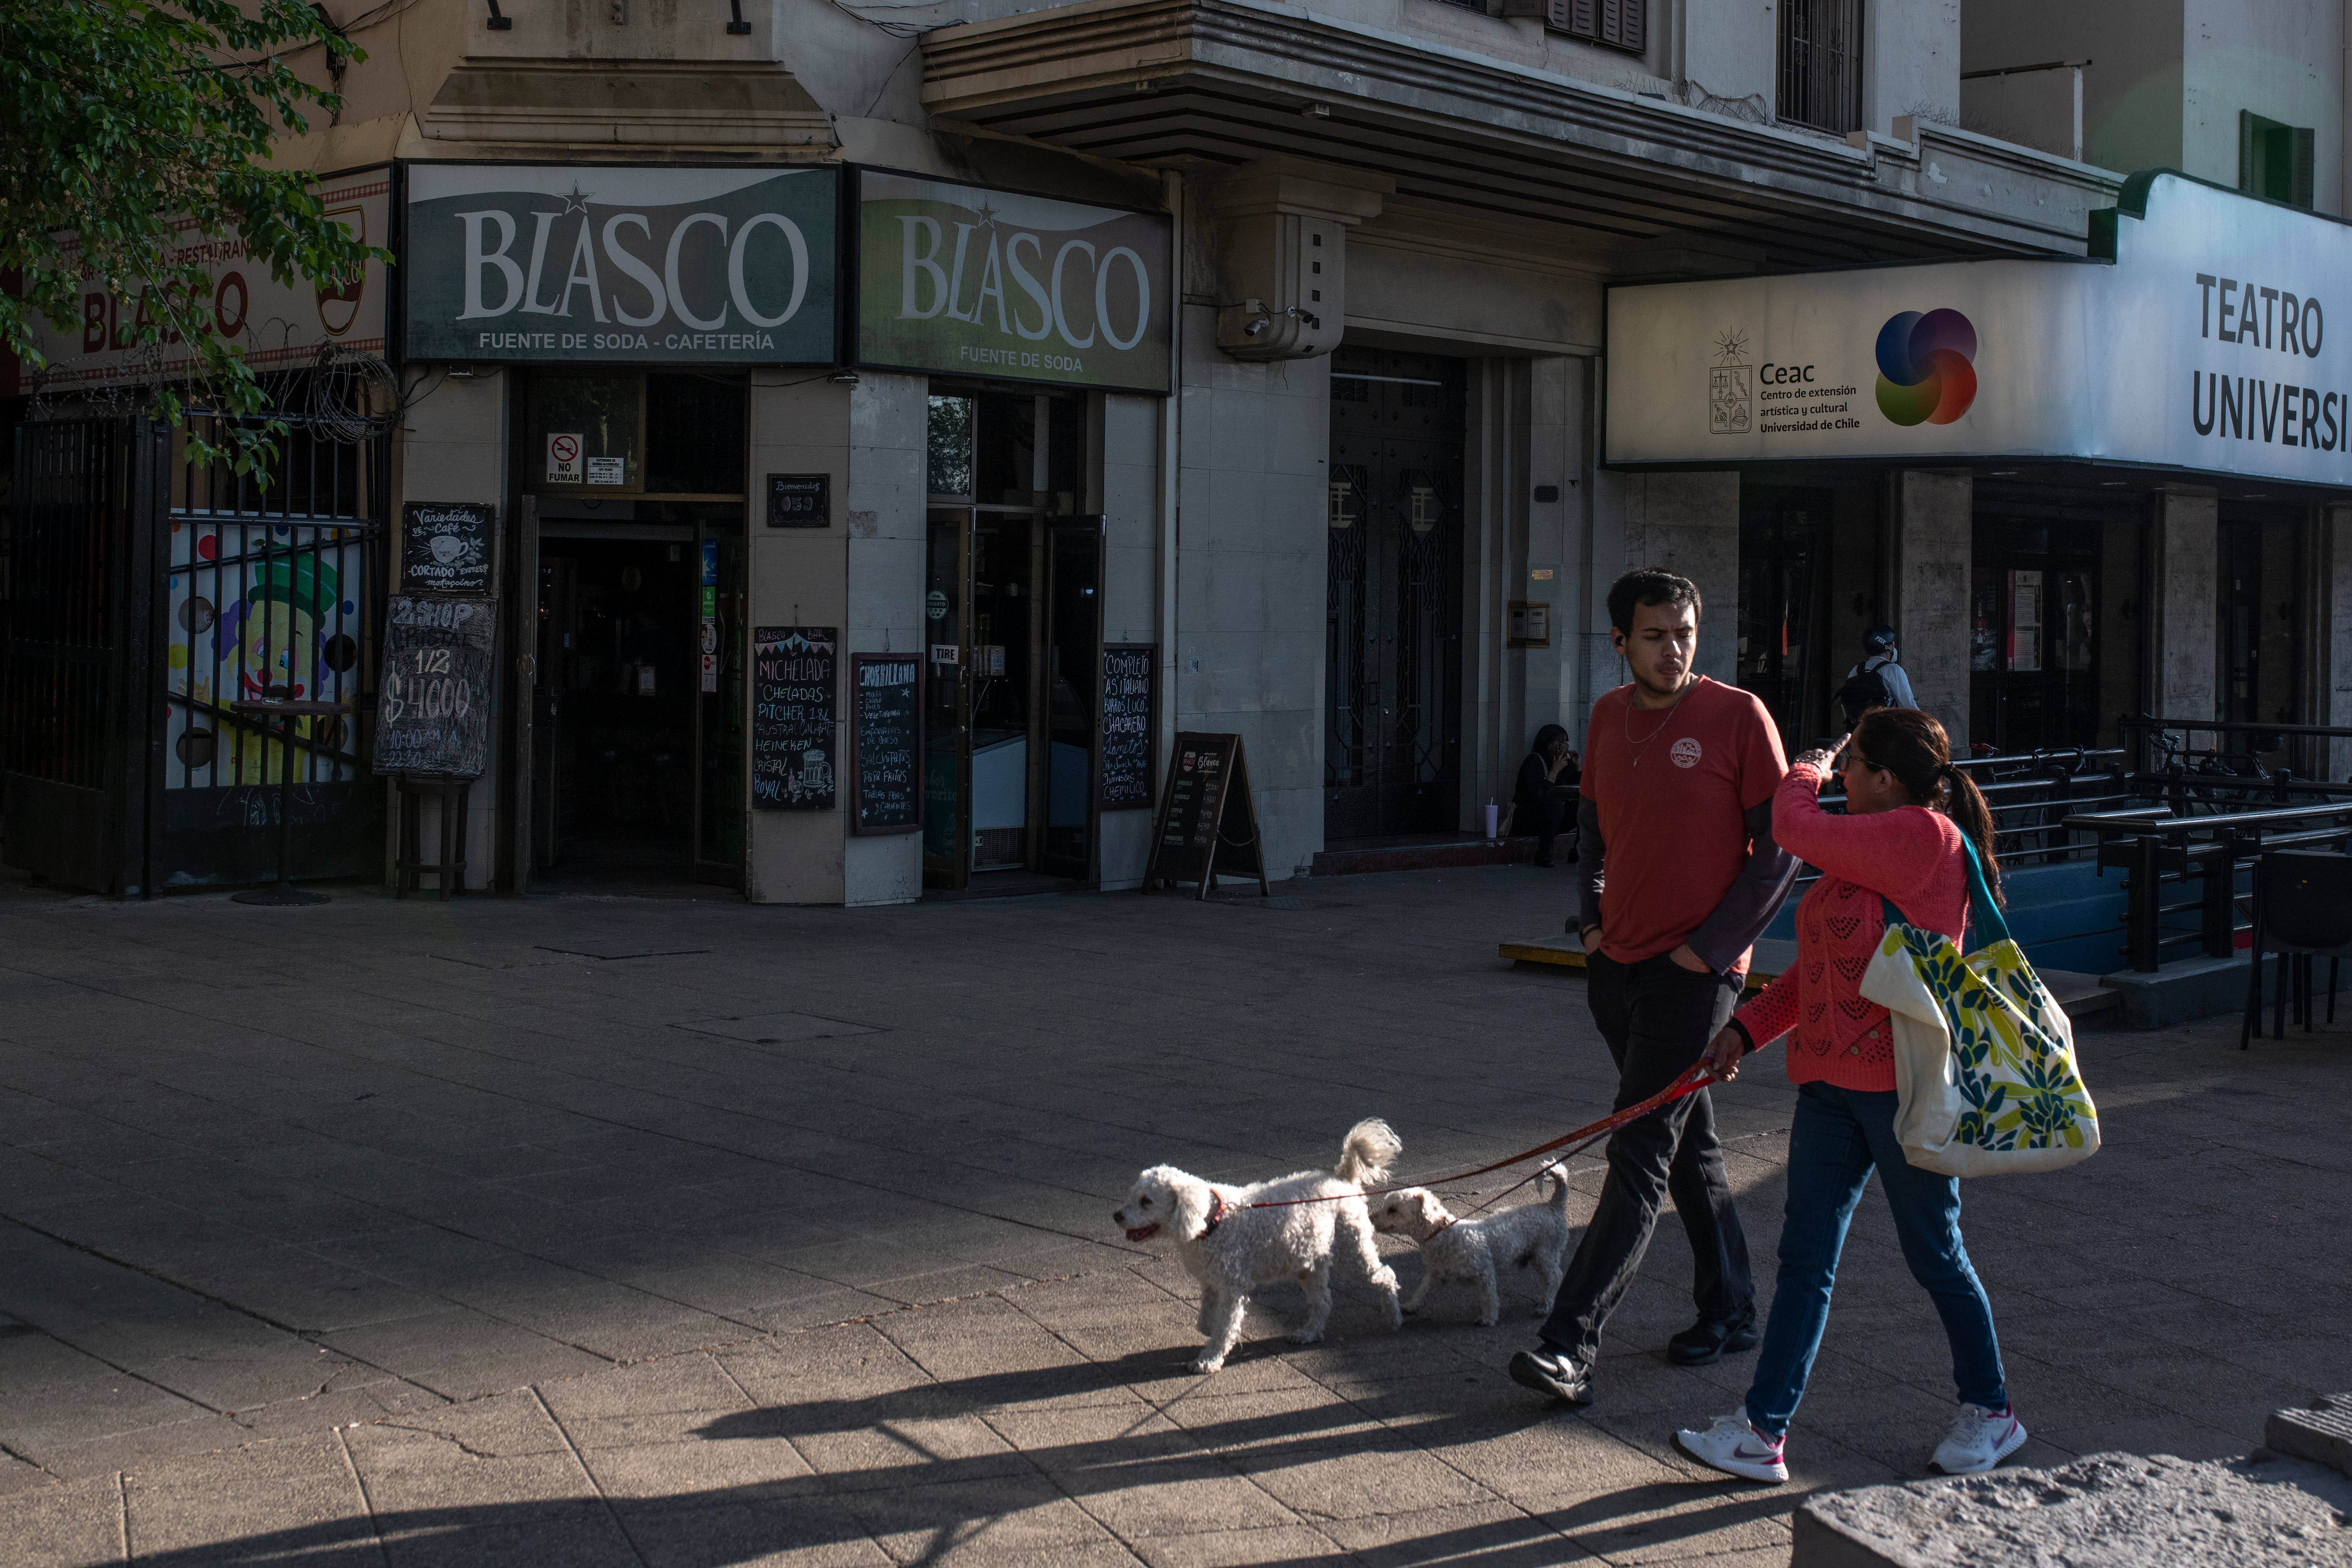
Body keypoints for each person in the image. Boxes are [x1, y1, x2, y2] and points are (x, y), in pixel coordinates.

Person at [1673, 707, 2026, 1484]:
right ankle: (1762, 1431)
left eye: (1852, 766)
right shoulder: (1863, 851)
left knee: (1935, 1253)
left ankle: (1992, 1409)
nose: (1842, 778)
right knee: (1805, 1258)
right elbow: (1819, 972)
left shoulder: (1922, 837)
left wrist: (1805, 767)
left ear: (1887, 779)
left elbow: (1792, 824)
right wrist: (1746, 1030)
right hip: (1829, 1088)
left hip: (1905, 1092)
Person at [1509, 568, 1799, 1408]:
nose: (1674, 649)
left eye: (1685, 633)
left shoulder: (1739, 716)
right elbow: (1594, 834)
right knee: (1686, 1142)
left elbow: (1779, 854)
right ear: (1620, 642)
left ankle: (1569, 1344)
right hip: (1617, 967)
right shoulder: (1606, 716)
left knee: (1638, 1150)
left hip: (1693, 977)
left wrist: (1710, 953)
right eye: (1655, 635)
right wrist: (1593, 927)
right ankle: (1732, 1305)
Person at [1514, 724, 1580, 867]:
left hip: (1554, 819)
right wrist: (1554, 771)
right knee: (1554, 805)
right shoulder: (1534, 761)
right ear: (1549, 744)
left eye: (1566, 742)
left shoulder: (1565, 764)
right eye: (1560, 742)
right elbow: (1537, 796)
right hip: (1528, 817)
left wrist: (1578, 768)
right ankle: (1543, 855)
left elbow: (1577, 791)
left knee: (1585, 804)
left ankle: (1578, 852)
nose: (1564, 745)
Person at [1847, 624, 1915, 710]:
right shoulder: (1893, 670)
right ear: (1887, 647)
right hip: (1884, 719)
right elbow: (1908, 706)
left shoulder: (1856, 669)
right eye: (1893, 645)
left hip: (1861, 719)